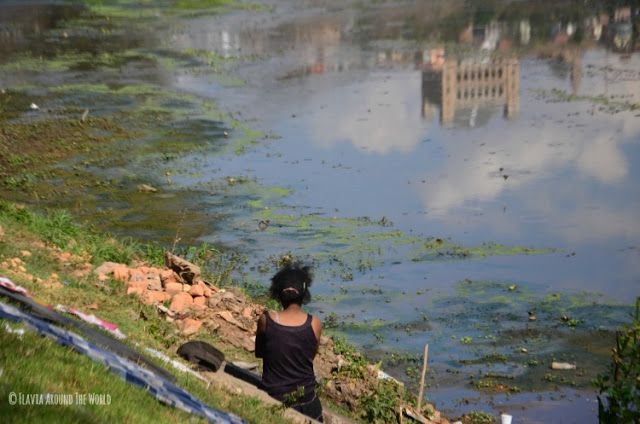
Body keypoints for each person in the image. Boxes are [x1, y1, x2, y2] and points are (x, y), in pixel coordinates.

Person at [255, 262, 323, 422]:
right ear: (304, 292)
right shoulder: (315, 323)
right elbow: (310, 357)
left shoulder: (266, 320)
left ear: (278, 292)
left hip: (274, 397)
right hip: (309, 403)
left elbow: (259, 352)